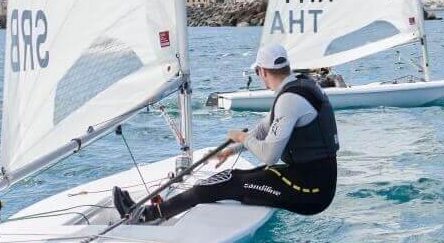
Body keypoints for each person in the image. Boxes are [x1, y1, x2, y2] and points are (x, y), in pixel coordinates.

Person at [112, 42, 338, 223]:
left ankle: (145, 216)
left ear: (261, 71)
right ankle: (152, 211)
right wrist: (234, 149)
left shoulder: (290, 99)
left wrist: (242, 137)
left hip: (310, 191)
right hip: (312, 180)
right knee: (236, 176)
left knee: (225, 181)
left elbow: (269, 155)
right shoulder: (300, 85)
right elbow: (264, 126)